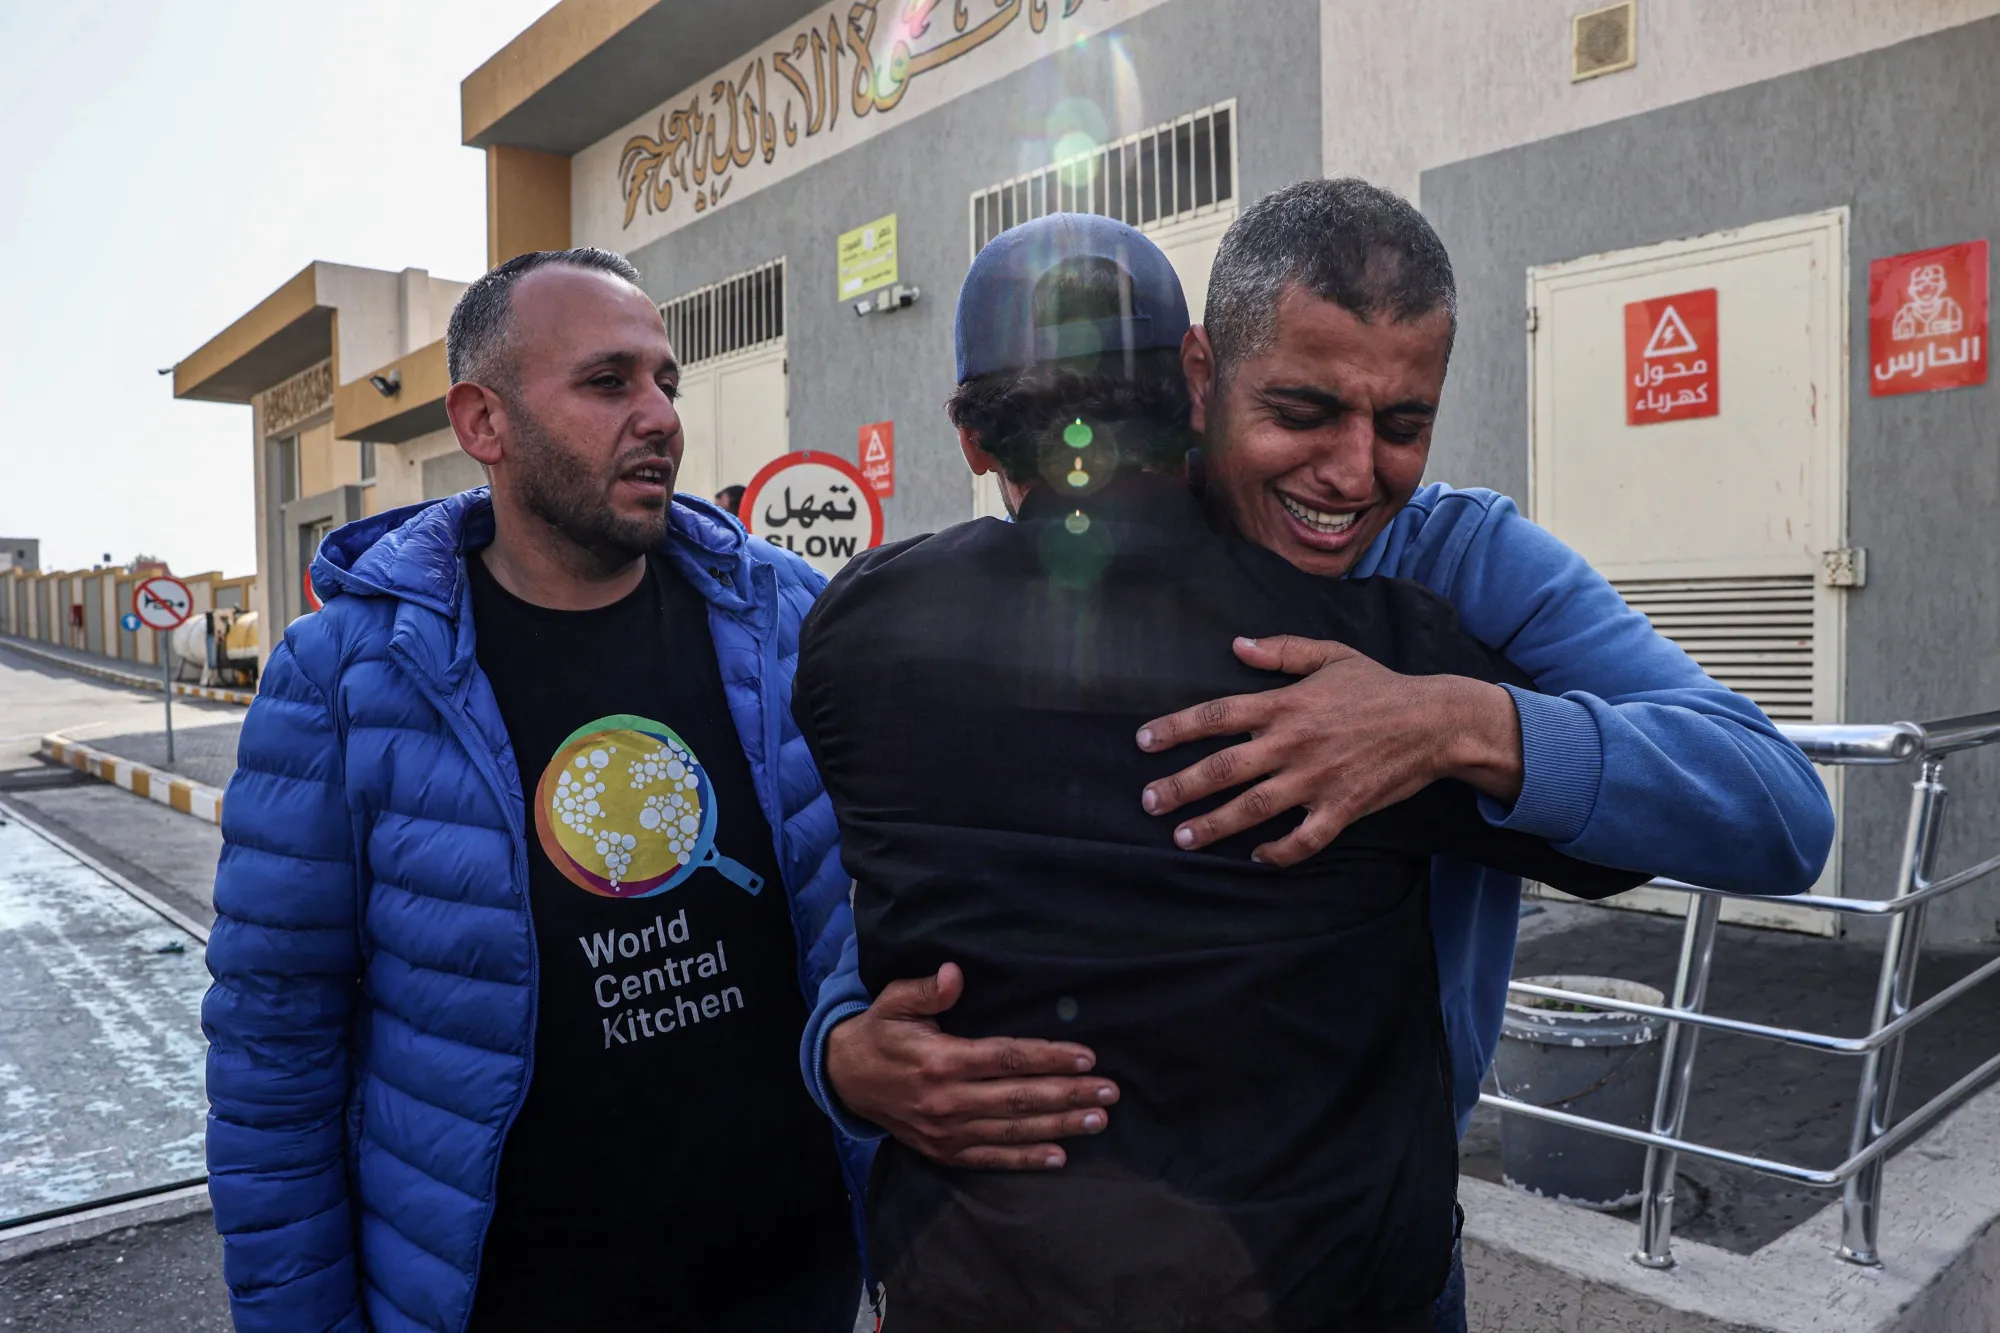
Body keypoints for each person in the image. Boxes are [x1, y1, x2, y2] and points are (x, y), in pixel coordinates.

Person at [807, 182, 1836, 1331]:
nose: (1352, 472)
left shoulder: (1458, 568)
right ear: (1197, 377)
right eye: (1301, 411)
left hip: (1349, 1248)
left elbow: (1777, 808)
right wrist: (844, 1047)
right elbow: (899, 874)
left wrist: (1454, 722)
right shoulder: (1028, 597)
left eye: (1401, 424)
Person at [203, 248, 866, 1332]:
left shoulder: (787, 619)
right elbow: (275, 1044)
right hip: (511, 1298)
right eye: (608, 382)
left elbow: (950, 813)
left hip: (797, 1284)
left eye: (665, 382)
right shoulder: (347, 677)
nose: (660, 417)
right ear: (483, 422)